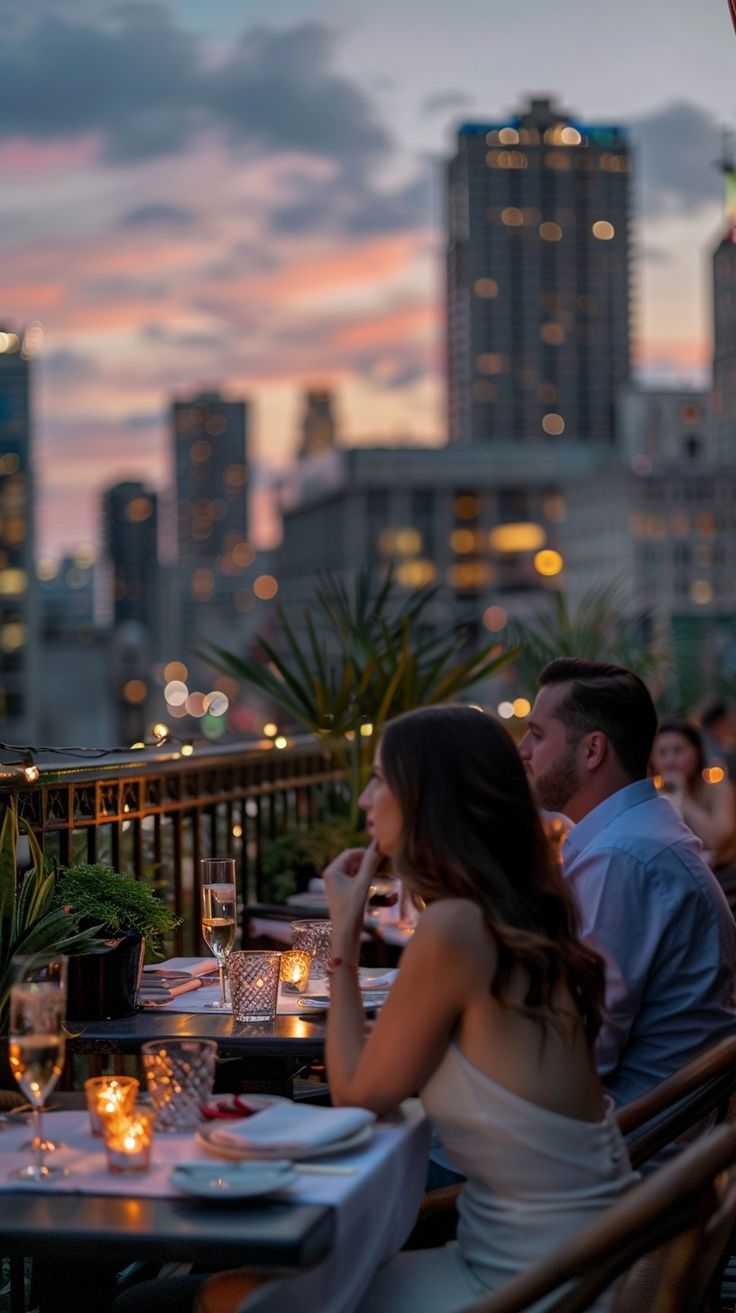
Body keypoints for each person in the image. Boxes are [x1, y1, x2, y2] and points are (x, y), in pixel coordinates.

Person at [324, 705, 635, 1313]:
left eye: (381, 779)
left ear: (428, 798)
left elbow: (357, 1097)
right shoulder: (512, 910)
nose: (364, 799)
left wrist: (343, 940)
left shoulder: (454, 926)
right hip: (582, 1257)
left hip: (538, 1285)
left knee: (213, 1296)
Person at [519, 658, 736, 1110]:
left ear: (592, 750)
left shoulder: (622, 858)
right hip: (645, 1127)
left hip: (619, 1146)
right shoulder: (633, 837)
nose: (522, 750)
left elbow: (581, 1052)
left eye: (537, 735)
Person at [650, 720, 736, 867]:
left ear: (697, 752)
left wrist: (683, 797)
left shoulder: (719, 788)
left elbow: (718, 840)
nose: (670, 761)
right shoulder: (653, 797)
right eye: (662, 753)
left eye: (678, 750)